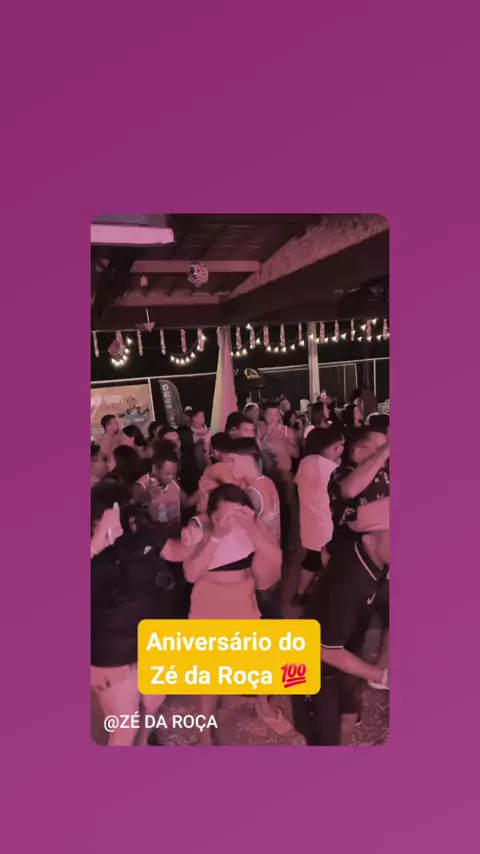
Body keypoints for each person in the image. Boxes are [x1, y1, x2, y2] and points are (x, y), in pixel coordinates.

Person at [90, 481, 191, 746]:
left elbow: (174, 551)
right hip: (112, 655)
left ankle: (144, 745)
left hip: (151, 638)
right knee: (125, 729)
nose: (129, 518)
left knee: (152, 702)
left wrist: (200, 537)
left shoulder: (138, 530)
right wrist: (95, 544)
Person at [182, 484, 283, 745]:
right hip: (208, 604)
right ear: (212, 514)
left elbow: (275, 558)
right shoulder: (199, 527)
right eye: (226, 515)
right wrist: (215, 537)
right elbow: (190, 574)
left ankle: (263, 706)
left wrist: (253, 528)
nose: (233, 521)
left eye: (239, 513)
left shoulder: (251, 525)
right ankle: (204, 732)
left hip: (243, 598)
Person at [291, 501, 390, 746]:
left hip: (347, 651)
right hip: (318, 666)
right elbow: (326, 651)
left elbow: (327, 551)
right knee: (325, 738)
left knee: (349, 716)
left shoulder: (359, 546)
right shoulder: (347, 585)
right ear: (370, 540)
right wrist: (383, 676)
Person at [295, 426, 345, 592]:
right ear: (324, 447)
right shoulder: (330, 468)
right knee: (323, 561)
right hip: (325, 523)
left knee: (312, 558)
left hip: (309, 520)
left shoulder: (305, 462)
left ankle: (301, 592)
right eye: (336, 447)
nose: (340, 450)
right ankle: (312, 594)